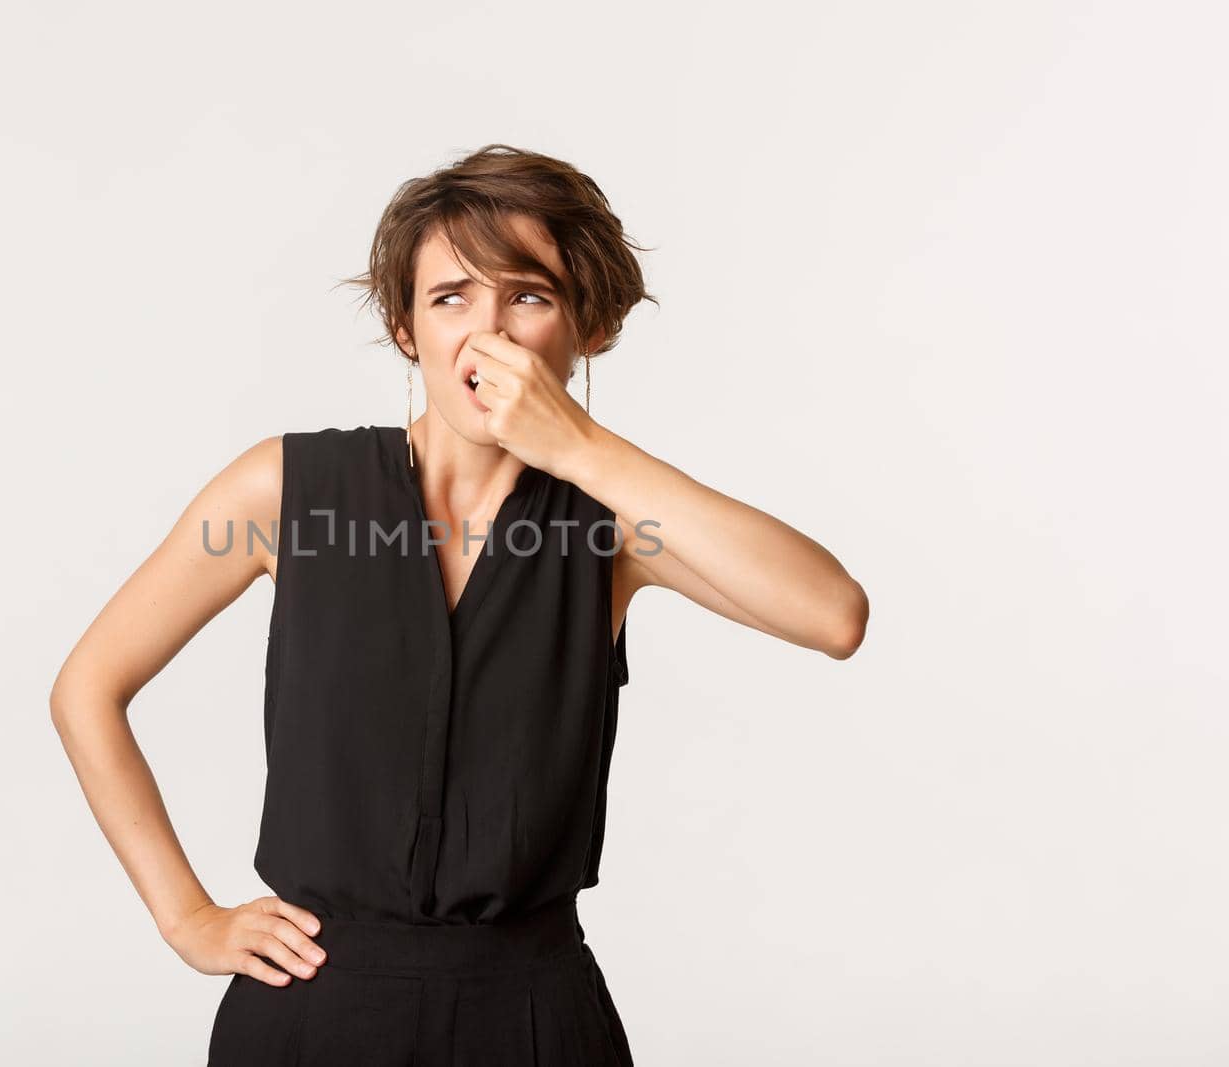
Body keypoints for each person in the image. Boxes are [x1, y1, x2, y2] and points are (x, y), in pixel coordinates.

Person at [49, 143, 869, 1065]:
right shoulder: (284, 492)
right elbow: (87, 687)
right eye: (451, 298)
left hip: (534, 1017)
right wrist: (187, 916)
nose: (491, 336)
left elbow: (833, 613)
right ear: (406, 329)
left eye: (528, 295)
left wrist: (582, 447)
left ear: (584, 326)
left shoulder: (612, 525)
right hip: (310, 1013)